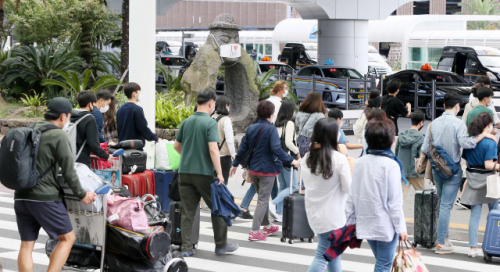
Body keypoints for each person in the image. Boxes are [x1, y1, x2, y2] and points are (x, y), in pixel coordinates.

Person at [14, 97, 96, 272]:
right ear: (62, 116)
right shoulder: (59, 135)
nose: (68, 120)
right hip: (45, 197)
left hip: (21, 196)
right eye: (68, 116)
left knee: (27, 245)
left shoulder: (30, 130)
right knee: (67, 238)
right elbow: (68, 171)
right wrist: (82, 194)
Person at [421, 92, 496, 254]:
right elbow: (466, 143)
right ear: (457, 107)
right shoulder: (458, 124)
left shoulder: (432, 124)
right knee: (446, 206)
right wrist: (483, 135)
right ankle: (441, 242)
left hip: (437, 169)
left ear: (443, 105)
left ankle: (445, 238)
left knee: (442, 204)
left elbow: (425, 148)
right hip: (452, 171)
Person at [174, 88, 238, 257]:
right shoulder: (209, 123)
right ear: (211, 103)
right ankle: (221, 245)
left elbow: (177, 147)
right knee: (219, 207)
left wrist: (190, 157)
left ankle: (187, 248)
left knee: (188, 212)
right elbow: (213, 149)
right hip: (204, 173)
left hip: (185, 172)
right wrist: (220, 174)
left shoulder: (186, 122)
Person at [230, 100, 300, 242]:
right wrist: (291, 160)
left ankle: (267, 225)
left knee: (263, 198)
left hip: (254, 169)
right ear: (271, 114)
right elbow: (276, 149)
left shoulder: (251, 128)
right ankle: (255, 231)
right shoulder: (271, 129)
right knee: (263, 200)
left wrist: (235, 164)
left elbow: (243, 149)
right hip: (267, 170)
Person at [346, 118, 408, 272]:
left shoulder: (360, 162)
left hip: (366, 223)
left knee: (381, 262)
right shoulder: (391, 165)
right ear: (390, 140)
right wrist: (401, 228)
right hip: (385, 225)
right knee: (383, 265)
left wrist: (350, 221)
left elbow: (352, 196)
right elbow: (394, 202)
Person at [303, 118, 351, 272]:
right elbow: (348, 188)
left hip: (315, 214)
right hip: (333, 217)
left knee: (333, 254)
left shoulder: (307, 158)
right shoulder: (339, 159)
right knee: (322, 256)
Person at [461, 113, 500, 257]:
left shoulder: (471, 140)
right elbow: (488, 164)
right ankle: (494, 243)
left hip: (473, 178)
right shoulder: (490, 143)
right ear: (488, 125)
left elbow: (466, 161)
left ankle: (472, 248)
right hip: (488, 181)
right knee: (494, 213)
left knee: (475, 215)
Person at [269, 99, 299, 223]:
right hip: (288, 158)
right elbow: (288, 142)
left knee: (283, 186)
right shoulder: (289, 124)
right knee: (292, 186)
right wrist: (297, 151)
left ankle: (279, 213)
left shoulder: (277, 123)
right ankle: (273, 203)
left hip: (278, 158)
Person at [71, 91, 112, 167]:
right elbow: (93, 144)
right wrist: (106, 156)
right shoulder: (89, 118)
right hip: (82, 160)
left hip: (70, 158)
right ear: (90, 104)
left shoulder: (71, 115)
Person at [117, 82, 159, 150]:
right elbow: (143, 128)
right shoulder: (137, 109)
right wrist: (156, 138)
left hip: (122, 148)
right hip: (135, 149)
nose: (140, 95)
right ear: (134, 94)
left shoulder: (120, 110)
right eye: (139, 93)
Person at [395, 110, 426, 201]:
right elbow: (422, 157)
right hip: (416, 173)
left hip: (403, 171)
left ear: (411, 121)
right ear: (421, 123)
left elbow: (396, 153)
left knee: (400, 198)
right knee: (423, 198)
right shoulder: (421, 138)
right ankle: (422, 215)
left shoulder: (401, 136)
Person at [212, 96, 236, 185]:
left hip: (210, 154)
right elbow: (229, 140)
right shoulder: (226, 120)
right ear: (226, 105)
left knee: (211, 182)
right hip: (223, 156)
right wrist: (233, 155)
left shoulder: (210, 117)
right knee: (222, 182)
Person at [295, 92, 326, 157]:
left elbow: (296, 127)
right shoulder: (320, 116)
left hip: (300, 142)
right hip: (314, 143)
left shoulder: (300, 113)